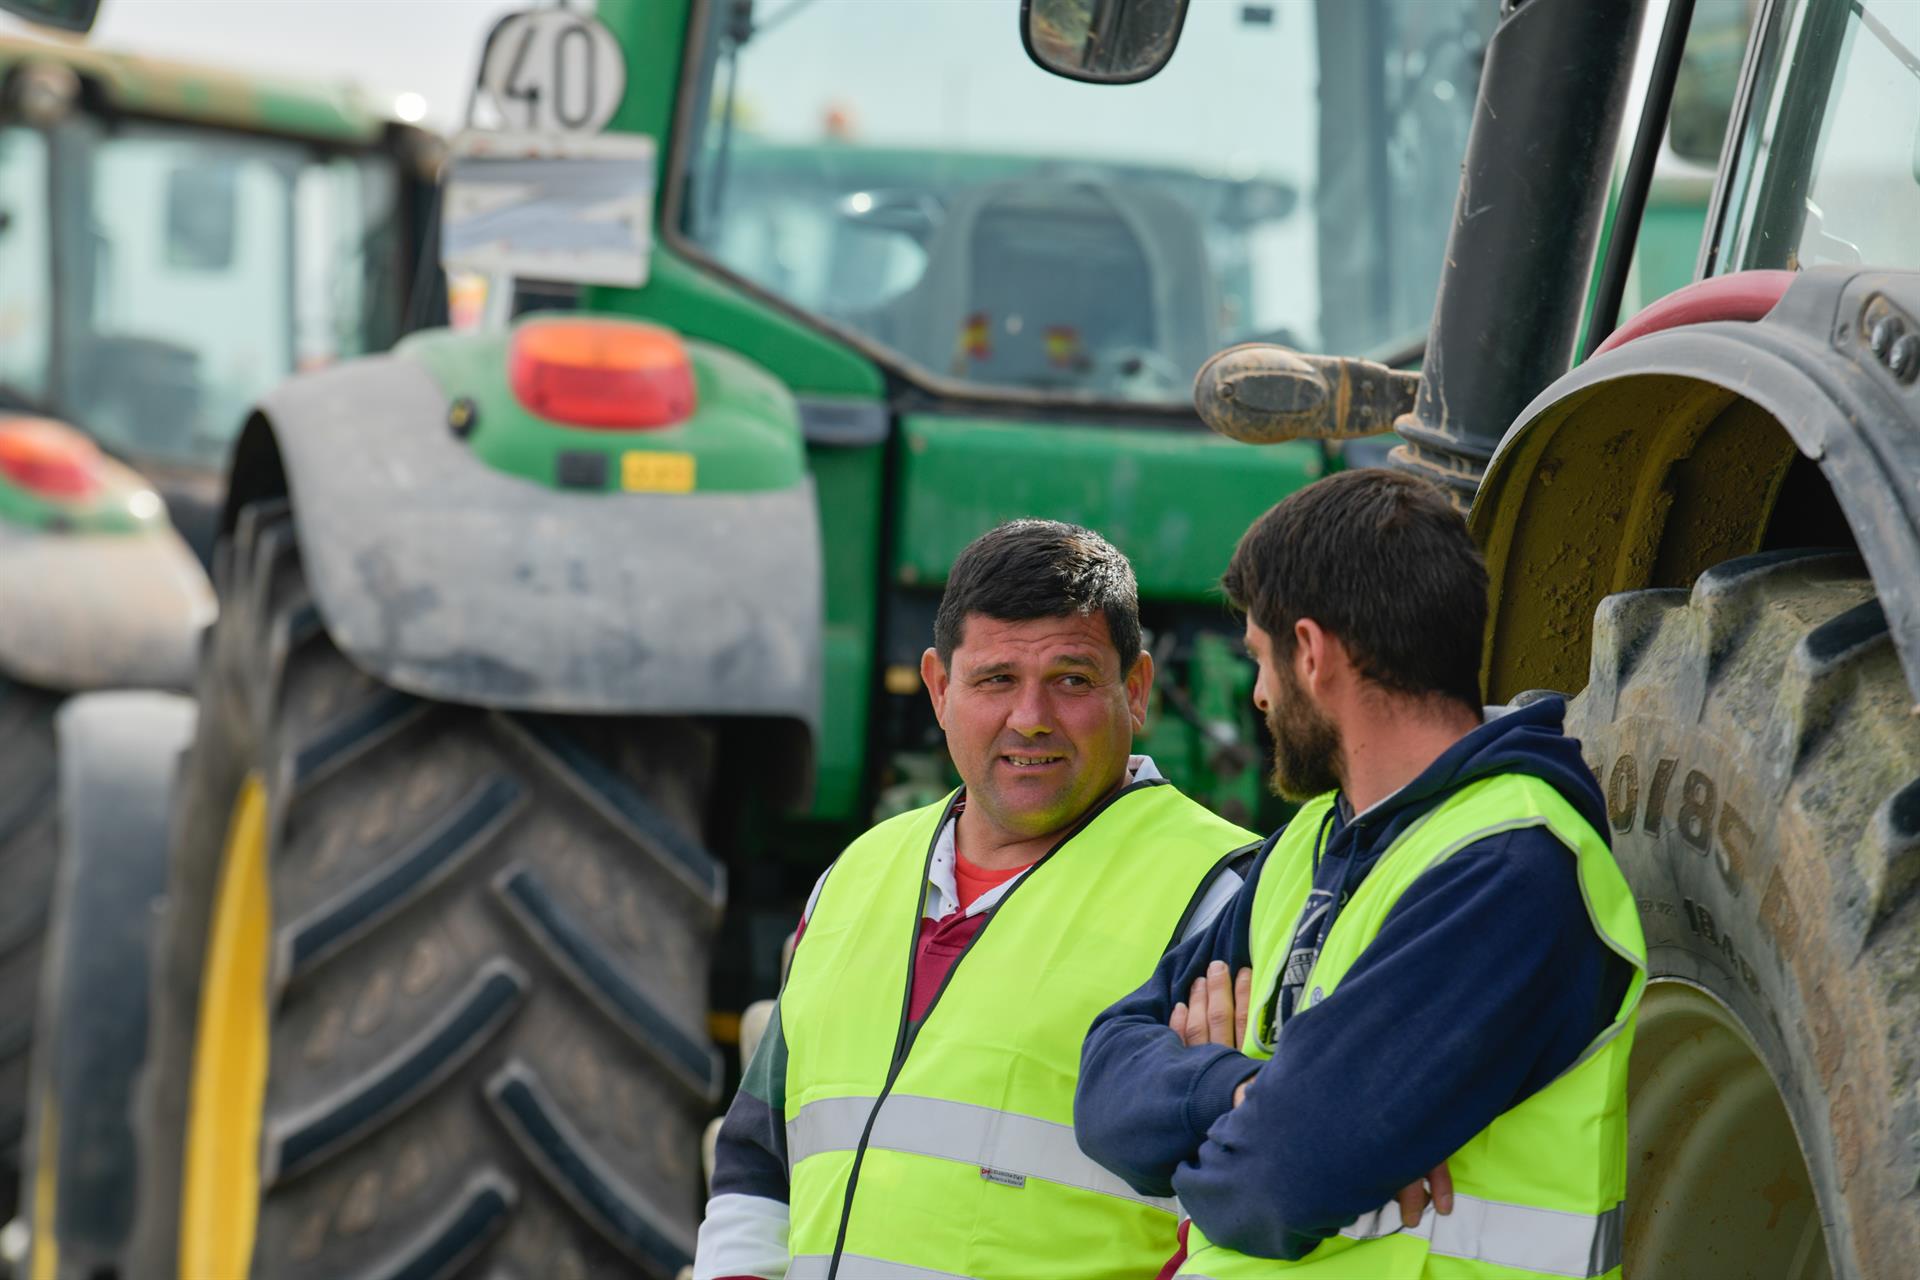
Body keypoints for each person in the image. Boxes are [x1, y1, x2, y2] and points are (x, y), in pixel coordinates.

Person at [1075, 469, 1646, 1278]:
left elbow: (1269, 1183)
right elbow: (1103, 1089)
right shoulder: (1301, 847)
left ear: (1310, 653)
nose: (1261, 696)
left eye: (1260, 661)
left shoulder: (1513, 870)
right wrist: (1240, 1092)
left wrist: (1245, 1119)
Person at [693, 519, 1260, 1280]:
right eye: (996, 680)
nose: (1030, 717)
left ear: (1135, 690)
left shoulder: (1221, 895)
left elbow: (1240, 1211)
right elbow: (759, 1159)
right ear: (938, 686)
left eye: (1071, 679)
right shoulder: (858, 875)